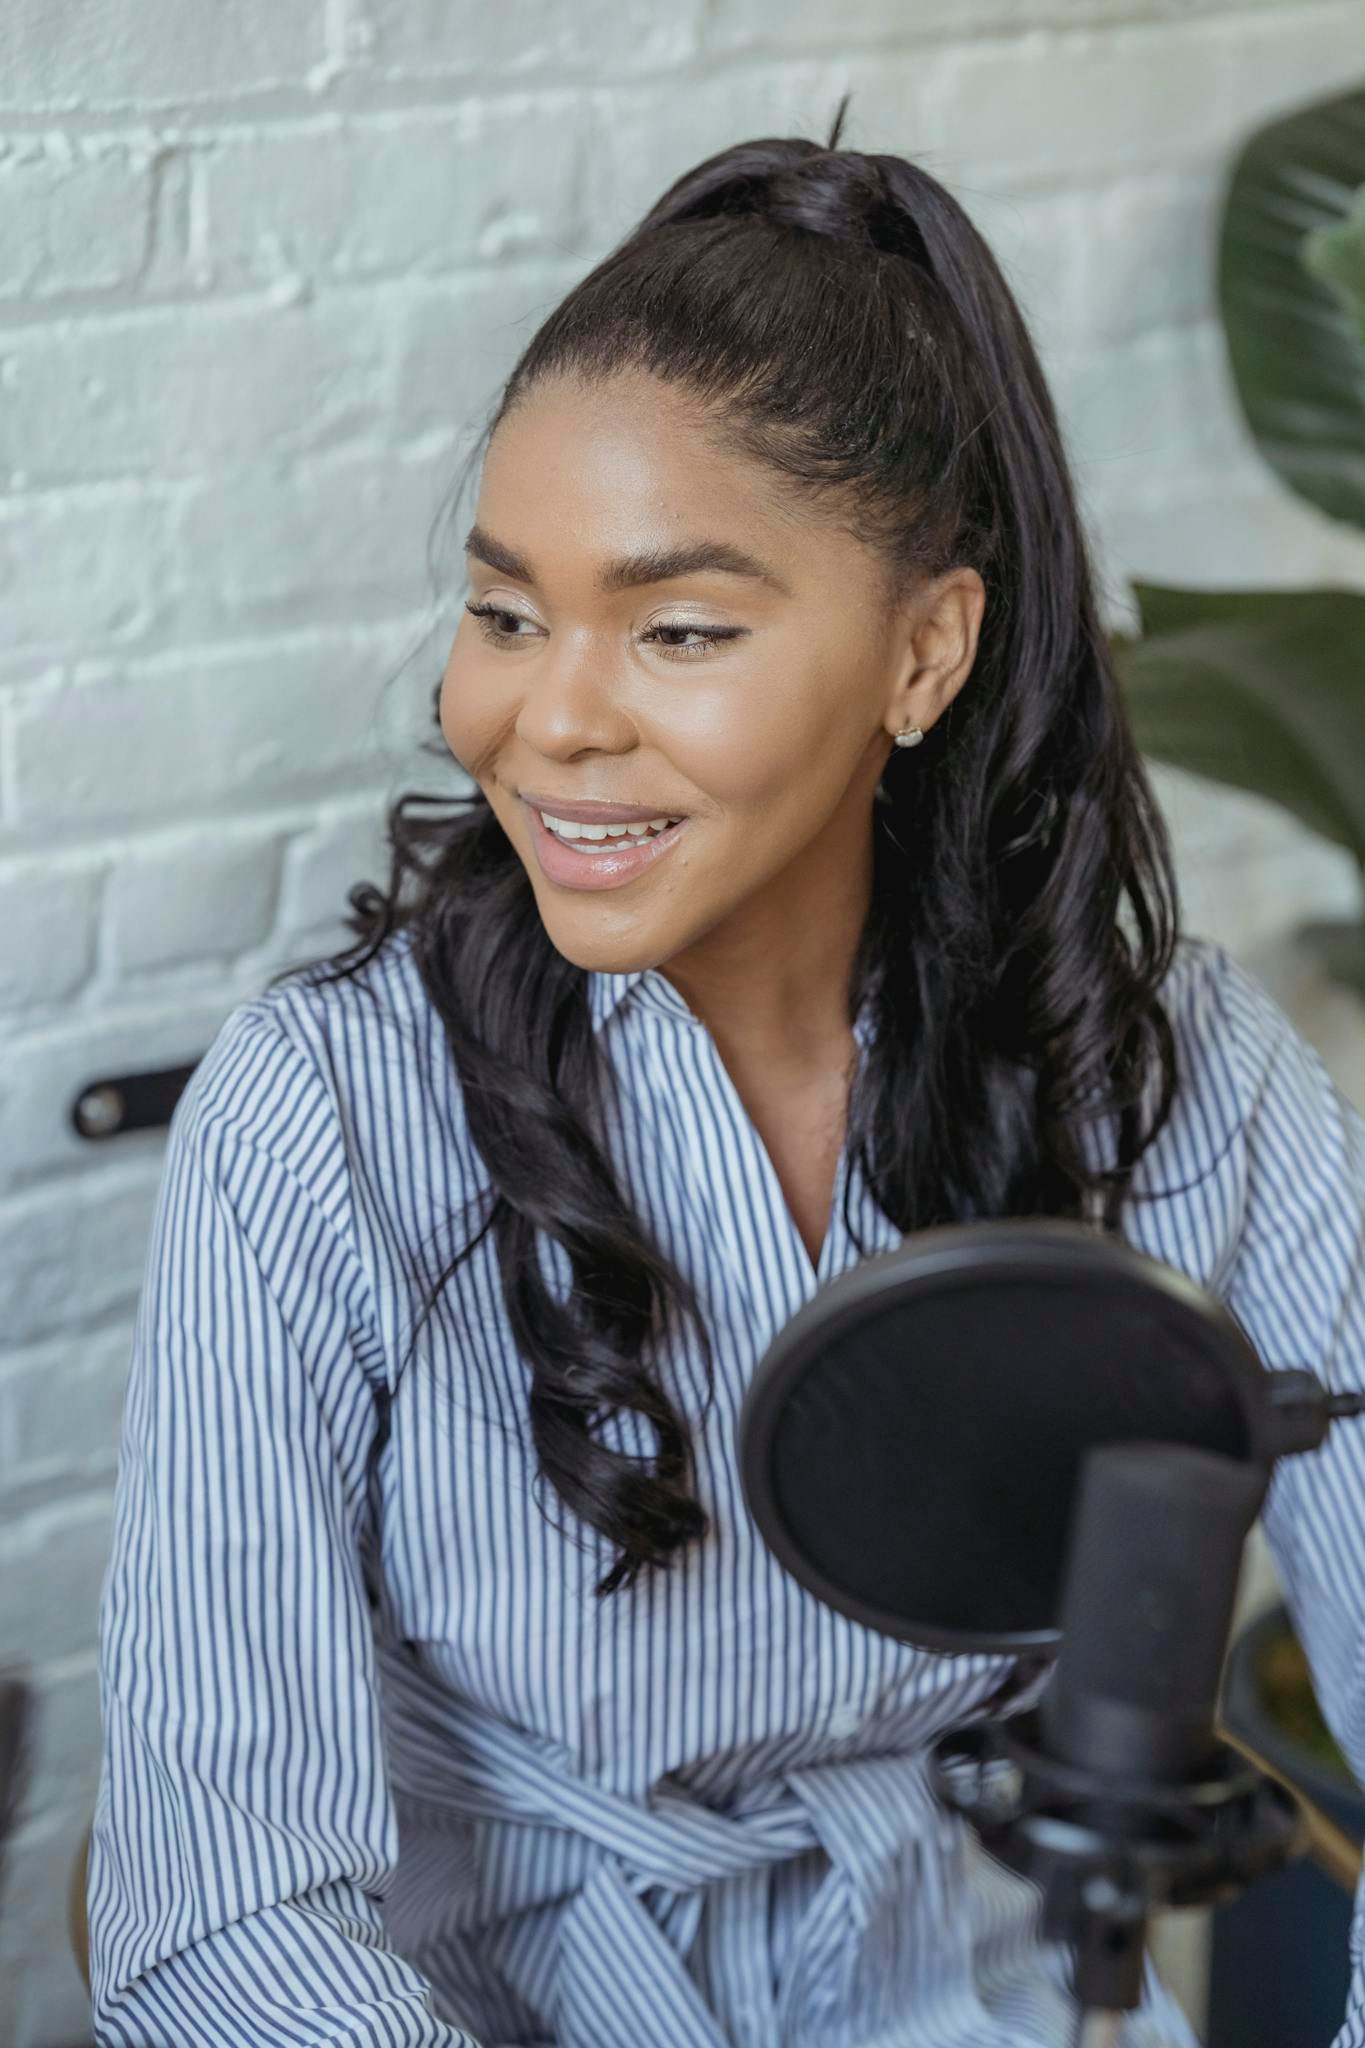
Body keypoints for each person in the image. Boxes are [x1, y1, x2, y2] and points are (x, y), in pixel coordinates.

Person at [85, 96, 1365, 2048]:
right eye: (504, 610)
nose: (546, 715)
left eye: (675, 625)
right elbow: (212, 1927)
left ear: (922, 655)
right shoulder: (321, 1120)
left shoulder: (1183, 1087)